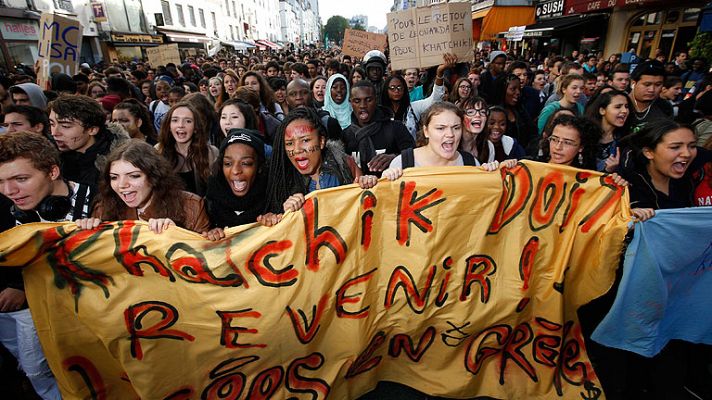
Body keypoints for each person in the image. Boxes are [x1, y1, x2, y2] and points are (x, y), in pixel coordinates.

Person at [0, 132, 91, 400]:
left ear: (53, 172)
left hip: (86, 321)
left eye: (21, 179)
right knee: (37, 370)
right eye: (1, 181)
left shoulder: (99, 201)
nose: (9, 191)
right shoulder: (5, 207)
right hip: (30, 315)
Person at [75, 140, 210, 234]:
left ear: (154, 176)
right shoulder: (102, 208)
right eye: (114, 177)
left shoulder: (191, 206)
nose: (122, 185)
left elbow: (206, 259)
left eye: (134, 176)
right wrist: (88, 232)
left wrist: (177, 235)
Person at [265, 107, 375, 214]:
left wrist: (367, 183)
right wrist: (284, 214)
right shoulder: (283, 180)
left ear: (321, 141)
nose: (297, 150)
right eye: (289, 143)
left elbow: (367, 208)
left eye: (305, 140)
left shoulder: (344, 163)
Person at [202, 129, 274, 240]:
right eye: (228, 163)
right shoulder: (210, 201)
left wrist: (276, 221)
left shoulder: (274, 197)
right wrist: (211, 232)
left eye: (246, 163)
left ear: (259, 167)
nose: (235, 170)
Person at [48, 95, 129, 190]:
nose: (54, 133)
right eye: (52, 124)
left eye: (66, 126)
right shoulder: (49, 159)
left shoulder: (118, 164)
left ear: (92, 129)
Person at [384, 102, 480, 174]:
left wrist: (489, 173)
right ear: (426, 131)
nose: (450, 134)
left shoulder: (471, 163)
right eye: (441, 128)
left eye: (456, 128)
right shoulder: (402, 164)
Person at [343, 80, 415, 176]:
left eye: (368, 100)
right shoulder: (345, 136)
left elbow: (415, 157)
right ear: (350, 102)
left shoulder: (396, 128)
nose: (363, 106)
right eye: (357, 101)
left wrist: (395, 158)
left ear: (376, 100)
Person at [156, 102, 218, 196]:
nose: (181, 125)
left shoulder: (211, 153)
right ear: (169, 126)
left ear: (195, 128)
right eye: (175, 120)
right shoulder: (158, 151)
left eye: (188, 121)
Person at [584, 90, 631, 172]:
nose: (624, 111)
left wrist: (613, 170)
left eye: (626, 106)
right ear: (602, 110)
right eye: (618, 107)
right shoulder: (584, 135)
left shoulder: (626, 140)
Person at [628, 60, 672, 131]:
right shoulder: (620, 104)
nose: (652, 89)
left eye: (658, 85)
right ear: (633, 83)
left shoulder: (665, 107)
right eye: (647, 84)